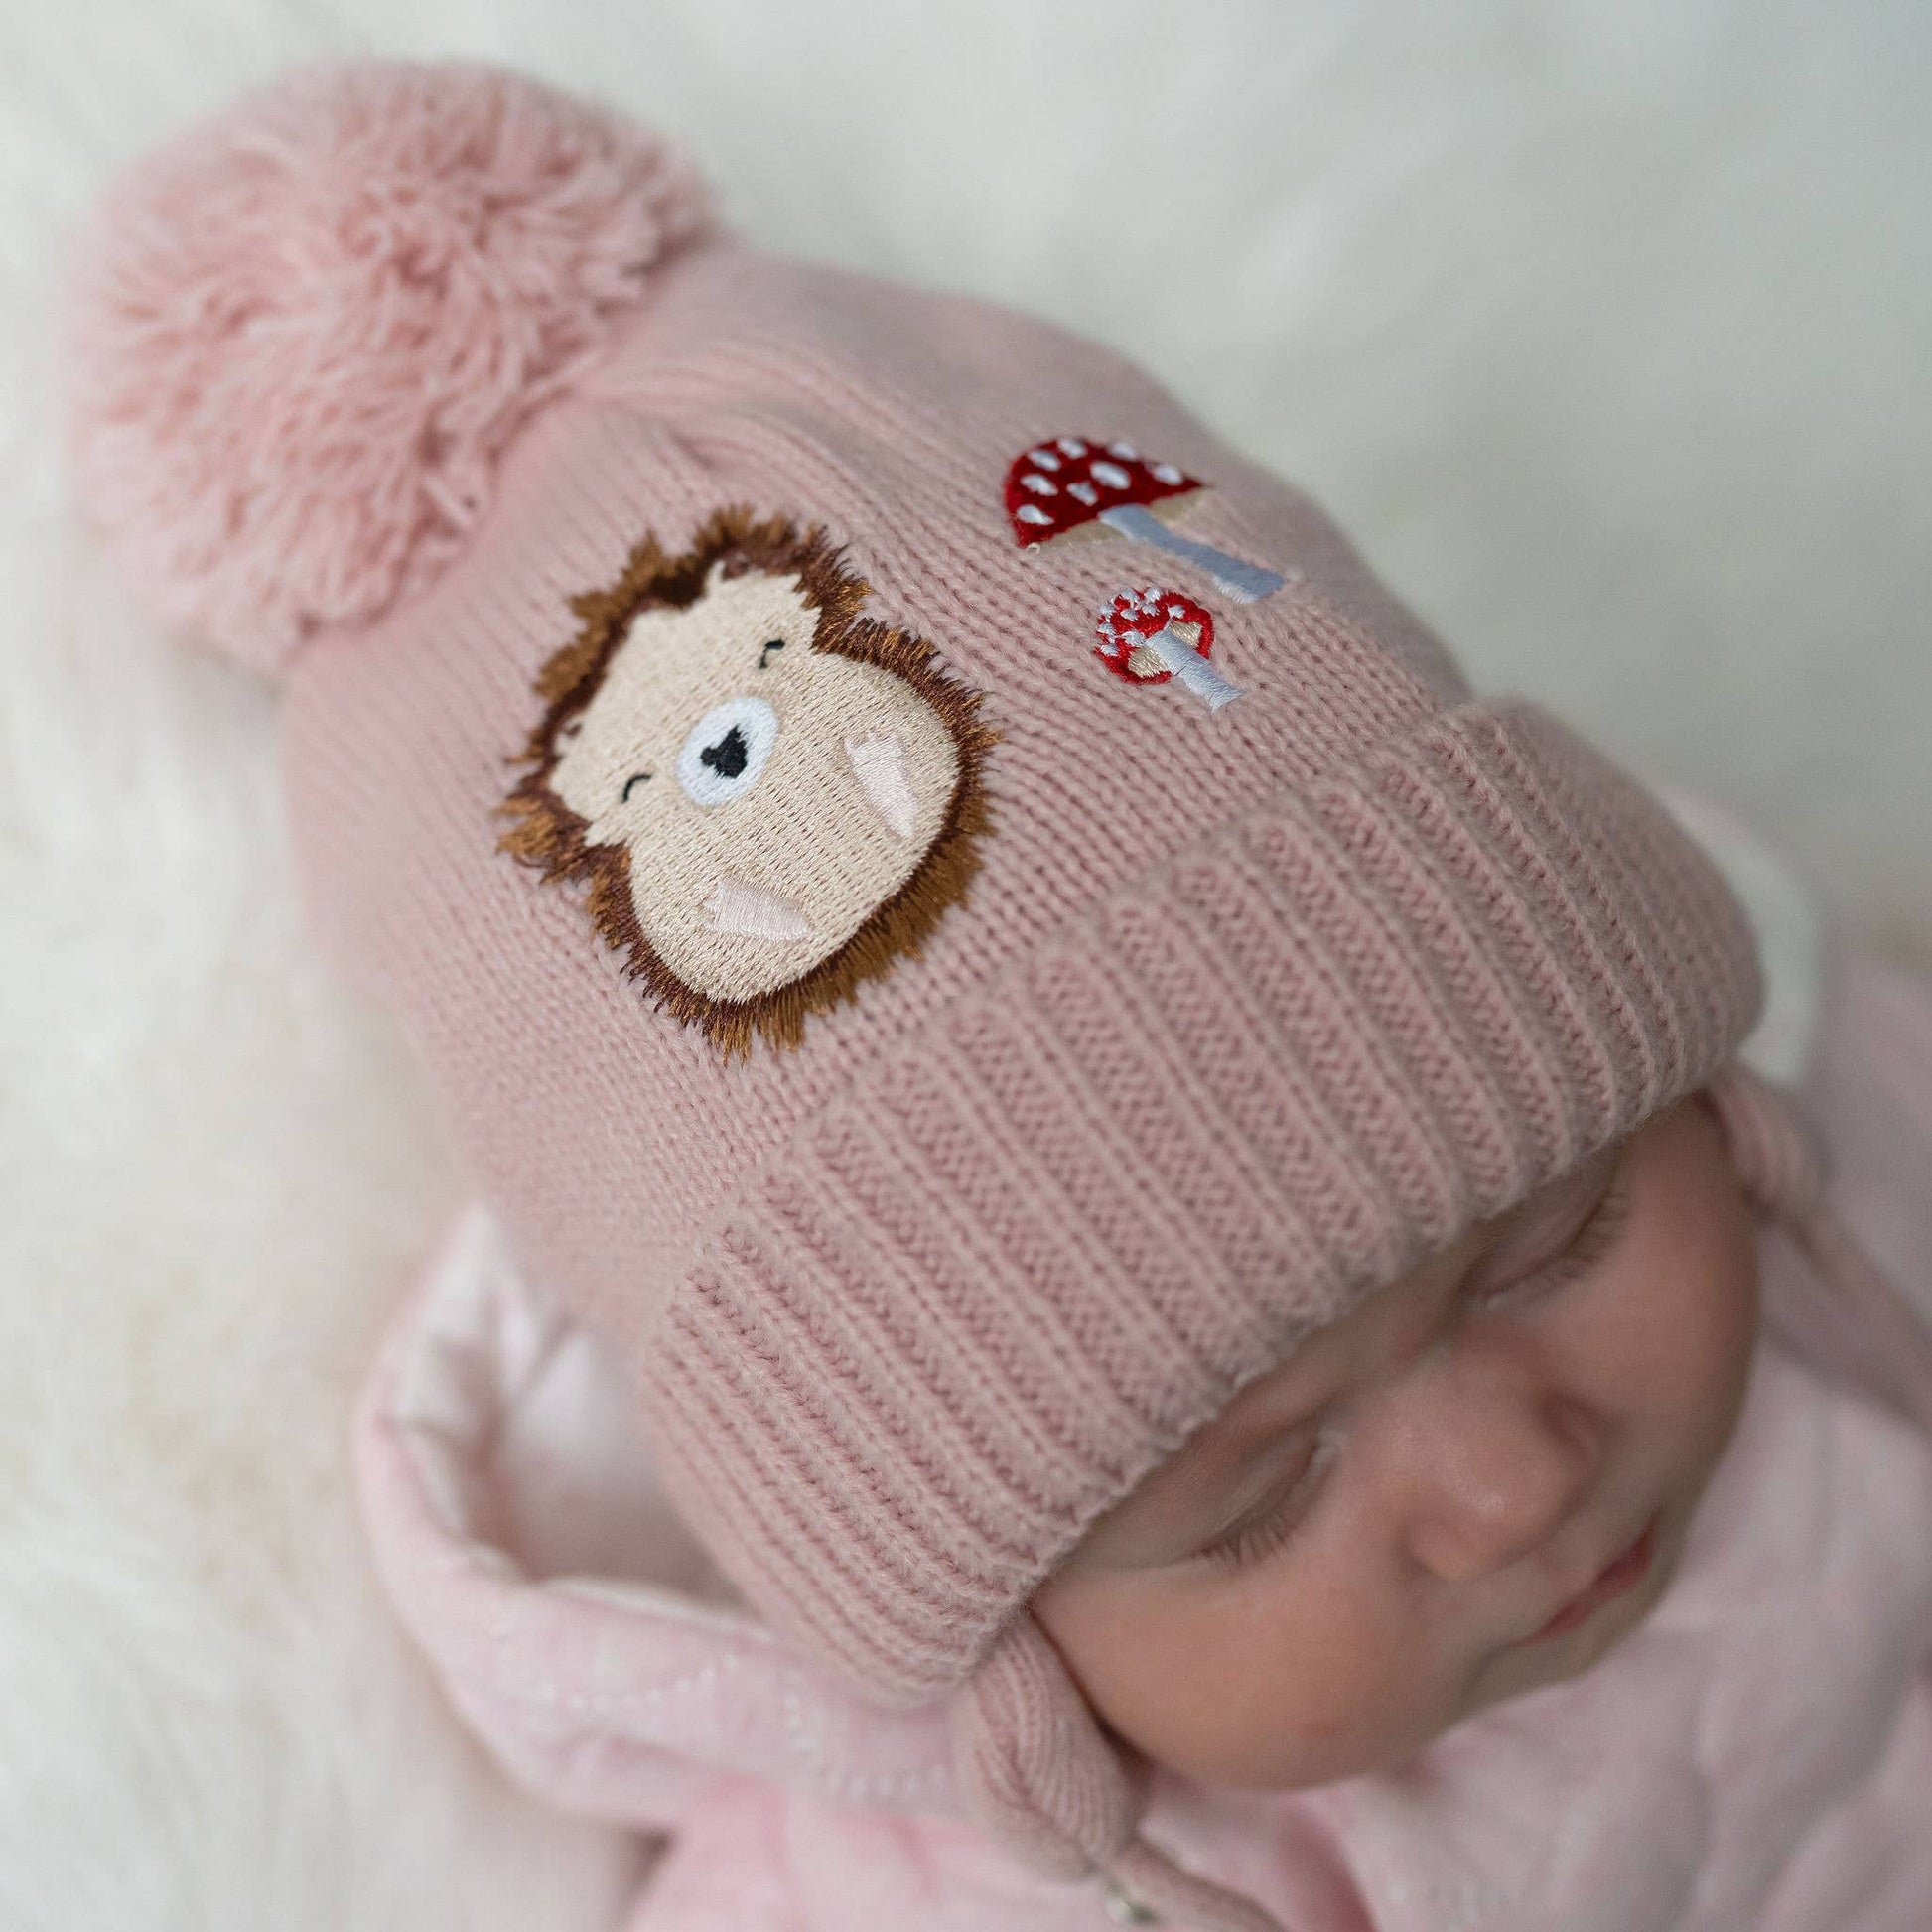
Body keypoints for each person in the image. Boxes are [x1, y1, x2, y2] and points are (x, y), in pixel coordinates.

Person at [65, 59, 1932, 1931]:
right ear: (988, 1628)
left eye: (1556, 1236)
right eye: (1260, 1496)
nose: (1516, 1483)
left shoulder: (1843, 1122)